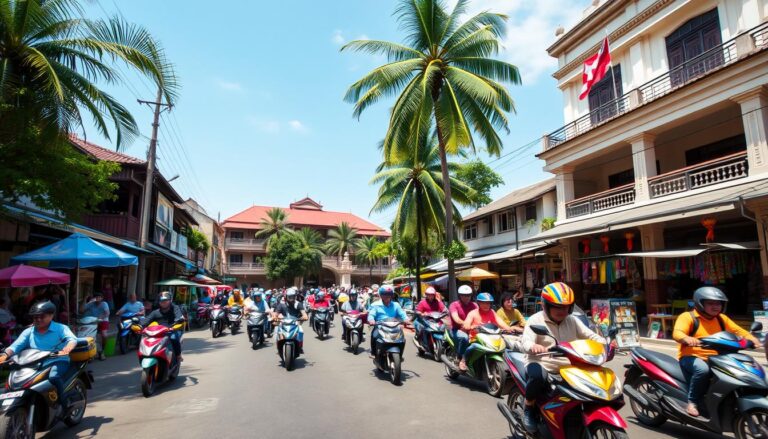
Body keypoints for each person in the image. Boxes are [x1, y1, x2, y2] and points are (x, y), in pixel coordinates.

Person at [520, 282, 612, 433]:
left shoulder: (572, 320)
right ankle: (529, 407)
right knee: (537, 377)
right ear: (545, 305)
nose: (562, 310)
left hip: (569, 364)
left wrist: (606, 343)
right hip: (541, 361)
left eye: (566, 307)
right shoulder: (535, 320)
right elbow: (527, 341)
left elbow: (590, 335)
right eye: (557, 306)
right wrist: (533, 347)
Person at [672, 286, 763, 417]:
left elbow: (738, 331)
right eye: (711, 303)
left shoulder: (721, 318)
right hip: (691, 356)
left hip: (718, 356)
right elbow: (677, 333)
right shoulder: (688, 317)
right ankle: (692, 402)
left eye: (718, 303)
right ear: (700, 303)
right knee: (702, 370)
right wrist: (686, 338)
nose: (716, 307)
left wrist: (752, 339)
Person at [0, 301, 77, 405]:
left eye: (42, 316)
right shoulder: (29, 331)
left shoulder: (61, 328)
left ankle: (64, 402)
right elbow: (16, 346)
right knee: (12, 381)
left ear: (51, 315)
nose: (38, 319)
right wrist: (5, 355)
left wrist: (67, 349)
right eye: (35, 317)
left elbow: (72, 340)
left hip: (57, 360)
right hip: (32, 363)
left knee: (53, 377)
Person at [367, 285, 409, 357]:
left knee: (402, 338)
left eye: (389, 294)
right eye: (384, 294)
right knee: (374, 335)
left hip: (394, 326)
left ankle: (400, 354)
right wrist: (371, 320)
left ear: (391, 295)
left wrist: (406, 319)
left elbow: (402, 313)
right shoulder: (375, 305)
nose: (387, 296)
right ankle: (373, 353)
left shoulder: (396, 305)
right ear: (381, 295)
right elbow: (371, 314)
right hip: (380, 326)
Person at [142, 291, 184, 361]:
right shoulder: (155, 312)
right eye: (161, 301)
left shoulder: (175, 308)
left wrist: (179, 320)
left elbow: (179, 316)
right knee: (146, 339)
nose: (163, 302)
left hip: (172, 329)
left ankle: (178, 355)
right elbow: (146, 320)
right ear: (159, 302)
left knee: (174, 338)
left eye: (165, 300)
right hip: (159, 332)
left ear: (170, 300)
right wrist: (139, 325)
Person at [449, 285, 478, 371]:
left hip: (472, 329)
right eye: (464, 295)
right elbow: (456, 319)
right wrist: (466, 324)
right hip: (457, 329)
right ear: (460, 296)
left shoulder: (475, 305)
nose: (467, 297)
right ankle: (460, 357)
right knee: (464, 338)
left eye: (468, 295)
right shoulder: (454, 305)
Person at [82, 292, 110, 360]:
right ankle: (92, 352)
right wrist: (85, 299)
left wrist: (101, 318)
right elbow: (81, 310)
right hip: (93, 322)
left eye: (99, 297)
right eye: (96, 297)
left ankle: (102, 351)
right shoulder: (91, 304)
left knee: (104, 335)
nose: (97, 298)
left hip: (103, 321)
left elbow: (107, 313)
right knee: (90, 337)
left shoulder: (104, 304)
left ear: (102, 298)